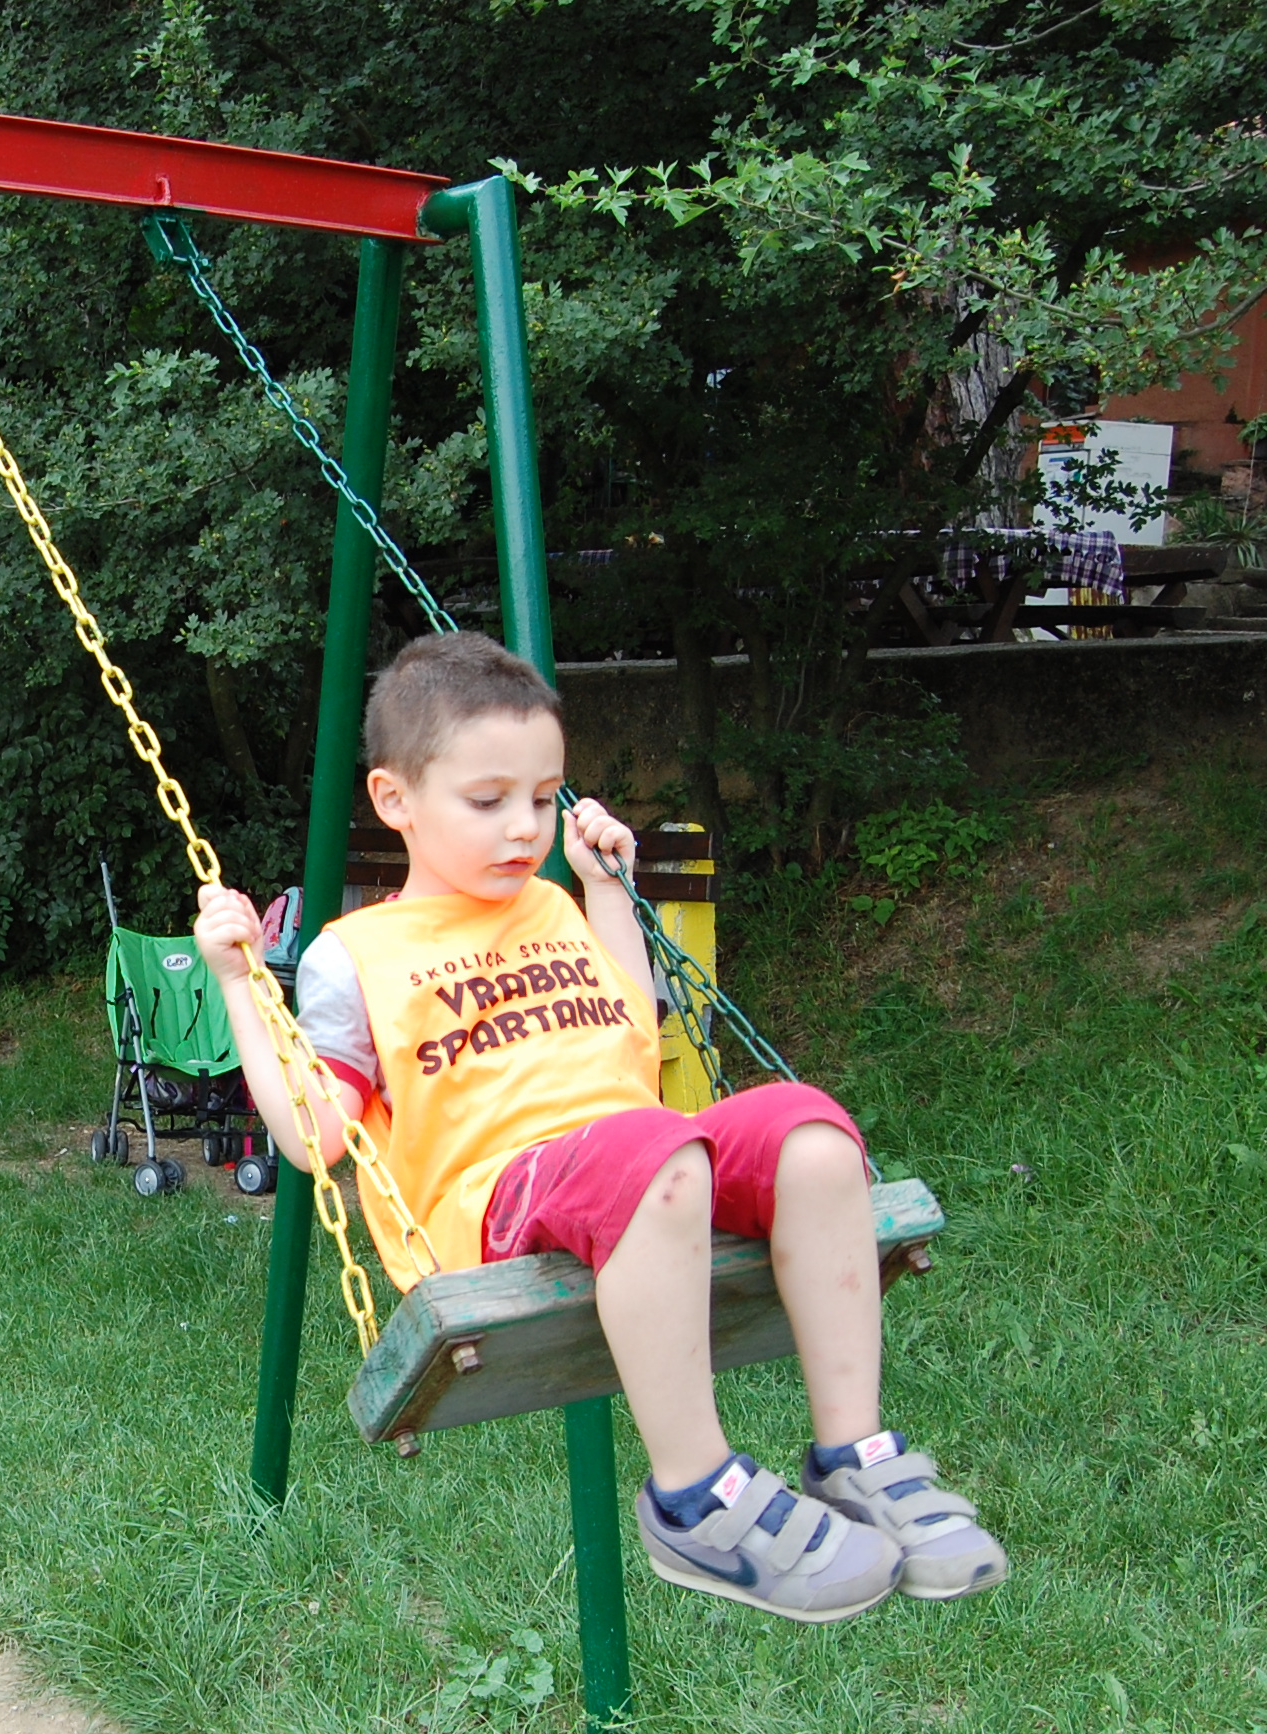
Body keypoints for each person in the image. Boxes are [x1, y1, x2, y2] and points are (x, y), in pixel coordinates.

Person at [194, 632, 1005, 1625]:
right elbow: (314, 1137)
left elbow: (632, 1030)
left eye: (542, 799)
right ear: (394, 800)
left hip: (636, 1158)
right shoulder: (356, 953)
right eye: (487, 801)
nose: (522, 827)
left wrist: (607, 889)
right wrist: (240, 986)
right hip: (497, 1199)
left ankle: (854, 1453)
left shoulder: (551, 904)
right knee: (653, 1157)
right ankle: (694, 1495)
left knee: (812, 1132)